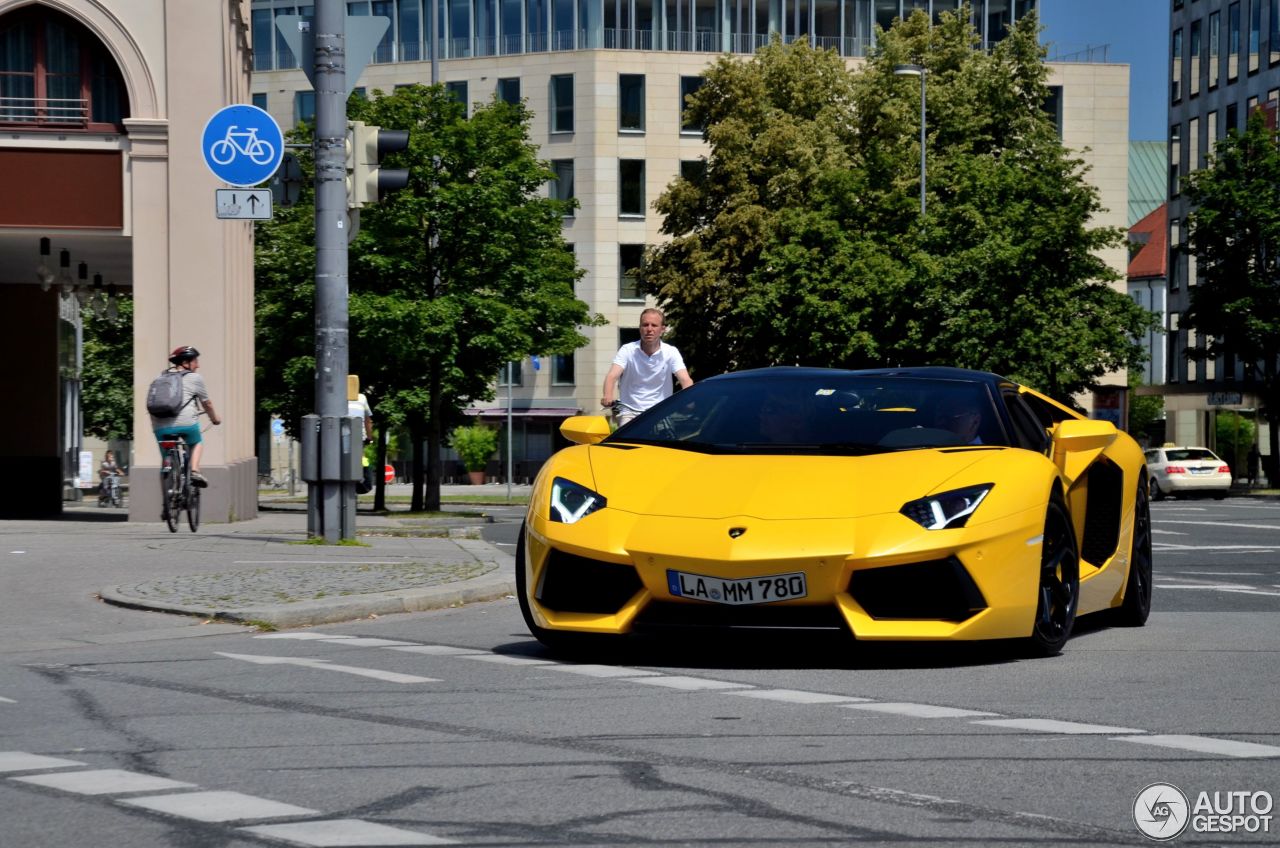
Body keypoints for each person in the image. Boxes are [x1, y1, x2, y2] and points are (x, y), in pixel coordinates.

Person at [600, 308, 693, 426]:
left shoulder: (671, 352)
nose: (649, 329)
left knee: (666, 442)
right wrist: (608, 395)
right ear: (640, 328)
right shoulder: (627, 350)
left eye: (654, 325)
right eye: (645, 325)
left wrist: (689, 398)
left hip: (660, 412)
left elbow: (685, 379)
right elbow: (612, 376)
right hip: (630, 412)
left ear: (662, 329)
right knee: (626, 440)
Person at [151, 346, 221, 487]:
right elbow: (207, 403)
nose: (198, 365)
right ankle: (195, 471)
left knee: (164, 462)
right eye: (195, 361)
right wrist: (215, 419)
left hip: (160, 426)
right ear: (185, 362)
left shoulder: (160, 378)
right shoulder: (195, 378)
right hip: (187, 423)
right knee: (196, 443)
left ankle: (166, 501)